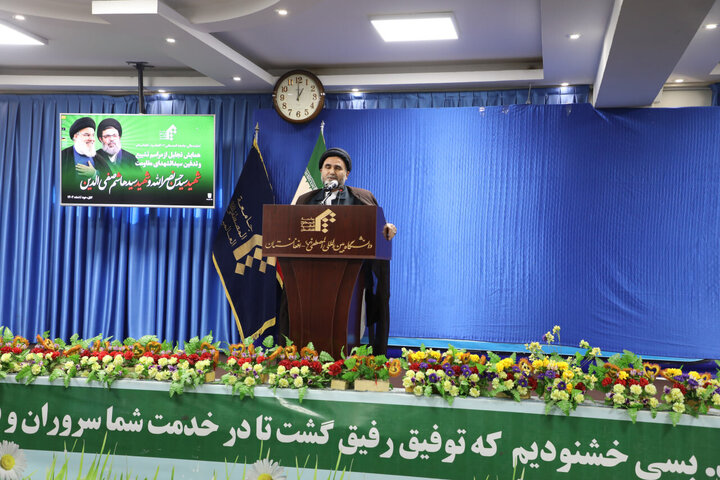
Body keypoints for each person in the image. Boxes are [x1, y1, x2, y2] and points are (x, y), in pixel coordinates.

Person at [295, 147, 397, 355]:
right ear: (321, 171)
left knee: (348, 329)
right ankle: (308, 363)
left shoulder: (362, 198)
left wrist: (388, 230)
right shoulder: (306, 200)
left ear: (346, 174)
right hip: (312, 280)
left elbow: (379, 230)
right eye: (328, 167)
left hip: (353, 280)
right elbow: (293, 232)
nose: (332, 171)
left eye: (338, 168)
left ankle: (347, 364)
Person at [60, 117, 110, 181]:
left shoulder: (99, 159)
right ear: (76, 137)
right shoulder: (63, 155)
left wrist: (94, 174)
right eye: (87, 135)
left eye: (93, 135)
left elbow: (110, 179)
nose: (92, 139)